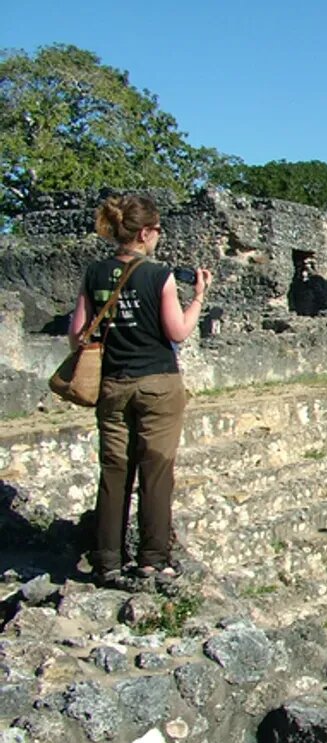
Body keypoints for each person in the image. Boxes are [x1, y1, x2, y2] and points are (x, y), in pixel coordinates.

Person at [68, 195, 212, 585]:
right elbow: (178, 332)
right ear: (145, 232)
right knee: (156, 470)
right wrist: (198, 297)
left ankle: (107, 561)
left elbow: (77, 334)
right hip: (158, 384)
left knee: (114, 471)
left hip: (113, 383)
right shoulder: (158, 275)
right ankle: (153, 558)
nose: (159, 238)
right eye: (158, 231)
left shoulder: (95, 273)